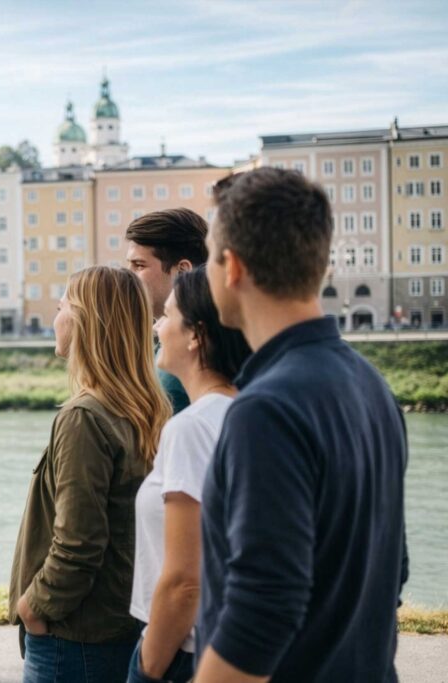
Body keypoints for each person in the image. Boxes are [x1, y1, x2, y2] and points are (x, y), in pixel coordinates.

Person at [196, 168, 408, 682]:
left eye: (208, 254)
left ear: (233, 268)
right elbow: (393, 570)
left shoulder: (264, 410)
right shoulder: (372, 385)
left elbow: (261, 612)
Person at [9, 266, 172, 683]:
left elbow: (79, 543)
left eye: (62, 305)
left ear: (85, 321)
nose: (56, 316)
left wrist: (35, 609)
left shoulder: (84, 416)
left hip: (74, 638)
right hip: (120, 626)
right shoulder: (148, 411)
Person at [127, 267, 251, 683]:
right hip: (228, 644)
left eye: (166, 315)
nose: (157, 326)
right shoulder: (250, 413)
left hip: (183, 650)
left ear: (196, 335)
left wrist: (149, 666)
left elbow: (184, 583)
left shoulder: (191, 427)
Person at [125, 209, 209, 413]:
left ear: (182, 270)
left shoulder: (189, 352)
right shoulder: (169, 345)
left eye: (139, 266)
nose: (128, 277)